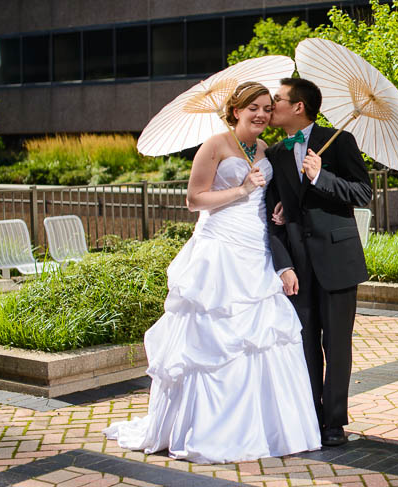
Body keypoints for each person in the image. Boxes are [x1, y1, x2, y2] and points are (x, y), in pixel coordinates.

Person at [103, 81, 321, 463]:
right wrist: (240, 189)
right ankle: (210, 429)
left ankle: (265, 429)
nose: (262, 115)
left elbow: (266, 197)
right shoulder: (214, 145)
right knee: (213, 335)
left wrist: (279, 208)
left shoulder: (267, 150)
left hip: (256, 248)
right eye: (254, 107)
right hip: (219, 247)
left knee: (262, 336)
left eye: (268, 108)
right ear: (236, 110)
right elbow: (194, 199)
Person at [265, 77, 372, 447]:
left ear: (298, 107)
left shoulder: (340, 141)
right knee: (304, 342)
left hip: (338, 259)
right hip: (298, 264)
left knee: (337, 344)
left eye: (277, 100)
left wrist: (319, 175)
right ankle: (309, 415)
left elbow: (363, 193)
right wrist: (283, 264)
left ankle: (333, 421)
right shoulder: (276, 153)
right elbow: (272, 215)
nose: (271, 106)